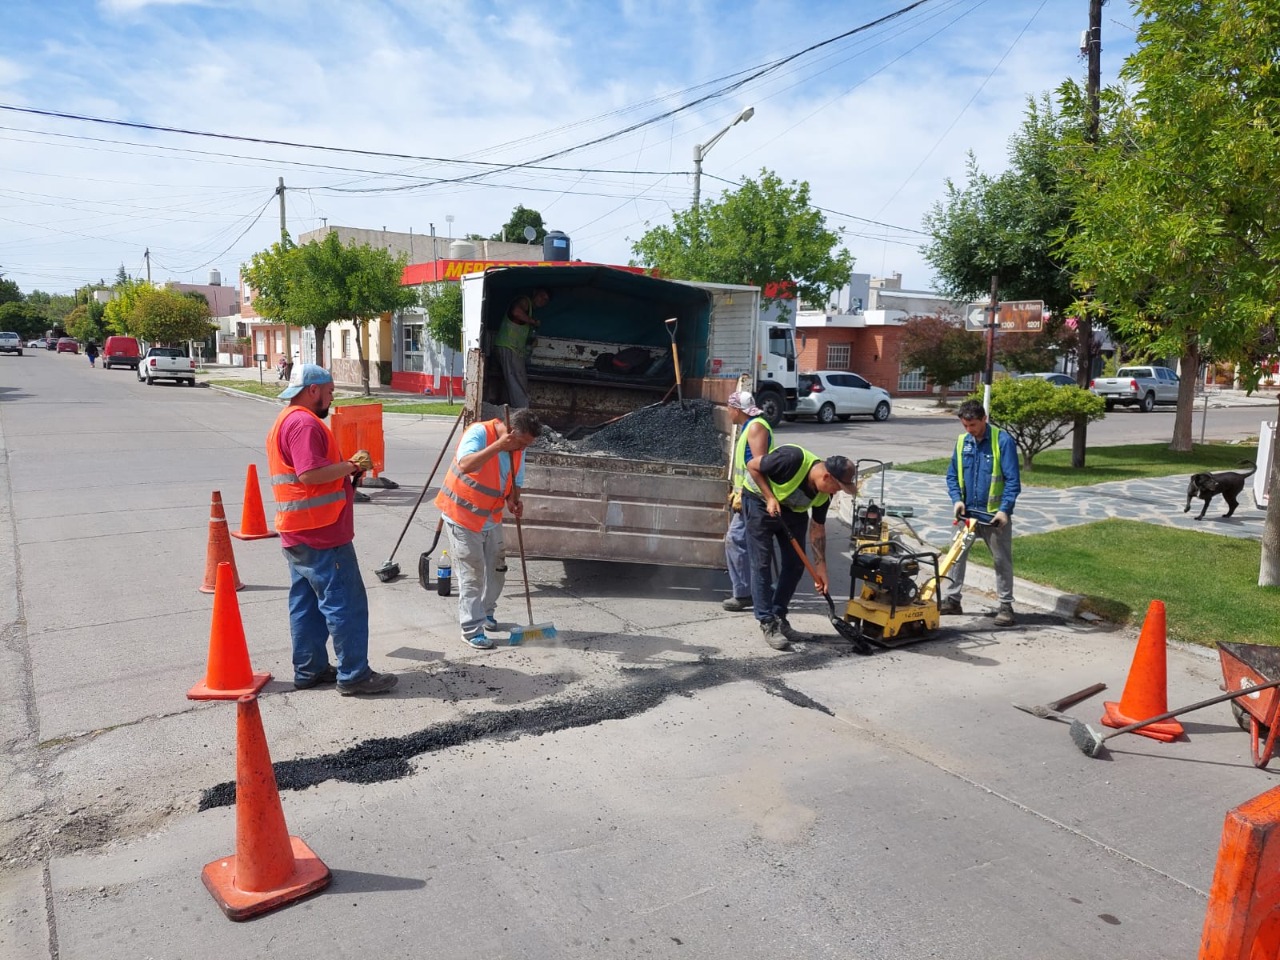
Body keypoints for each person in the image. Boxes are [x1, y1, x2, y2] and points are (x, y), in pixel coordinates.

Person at [266, 364, 397, 695]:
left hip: (299, 531)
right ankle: (354, 675)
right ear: (313, 390)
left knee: (307, 603)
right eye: (329, 391)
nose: (331, 397)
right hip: (321, 533)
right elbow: (309, 474)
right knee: (345, 603)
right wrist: (353, 465)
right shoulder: (303, 423)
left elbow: (310, 474)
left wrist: (346, 472)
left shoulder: (286, 420)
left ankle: (309, 669)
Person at [435, 407, 544, 649]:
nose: (523, 449)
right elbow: (465, 464)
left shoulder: (518, 446)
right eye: (522, 443)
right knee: (472, 575)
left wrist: (514, 500)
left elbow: (516, 479)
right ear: (512, 433)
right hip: (462, 515)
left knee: (497, 568)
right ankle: (471, 629)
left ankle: (486, 612)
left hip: (491, 516)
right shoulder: (479, 433)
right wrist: (498, 446)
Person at [743, 446, 858, 650]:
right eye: (837, 487)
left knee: (796, 564)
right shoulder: (791, 458)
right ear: (826, 476)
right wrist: (770, 497)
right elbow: (752, 466)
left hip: (792, 511)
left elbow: (817, 529)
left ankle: (779, 615)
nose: (837, 492)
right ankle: (767, 622)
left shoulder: (824, 494)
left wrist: (821, 569)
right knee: (761, 562)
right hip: (760, 502)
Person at [942, 399, 1022, 626]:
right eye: (965, 426)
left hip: (993, 517)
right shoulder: (962, 442)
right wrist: (957, 500)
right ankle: (953, 600)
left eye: (973, 425)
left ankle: (1006, 606)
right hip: (966, 515)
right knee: (955, 556)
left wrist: (1005, 510)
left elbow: (1012, 481)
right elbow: (951, 475)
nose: (969, 430)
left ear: (984, 419)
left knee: (1001, 560)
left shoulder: (1002, 441)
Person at [723, 390, 773, 612]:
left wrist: (744, 494)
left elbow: (758, 465)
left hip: (755, 497)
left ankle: (750, 594)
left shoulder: (755, 427)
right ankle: (745, 592)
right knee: (736, 541)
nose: (727, 412)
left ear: (736, 409)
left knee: (742, 542)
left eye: (729, 408)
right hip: (747, 496)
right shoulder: (748, 427)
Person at [493, 288, 550, 408]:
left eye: (546, 300)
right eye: (541, 296)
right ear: (534, 293)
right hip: (508, 346)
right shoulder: (525, 301)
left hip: (512, 349)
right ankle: (522, 414)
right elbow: (516, 312)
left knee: (515, 382)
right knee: (517, 382)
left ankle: (515, 412)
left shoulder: (530, 310)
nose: (543, 300)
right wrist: (532, 321)